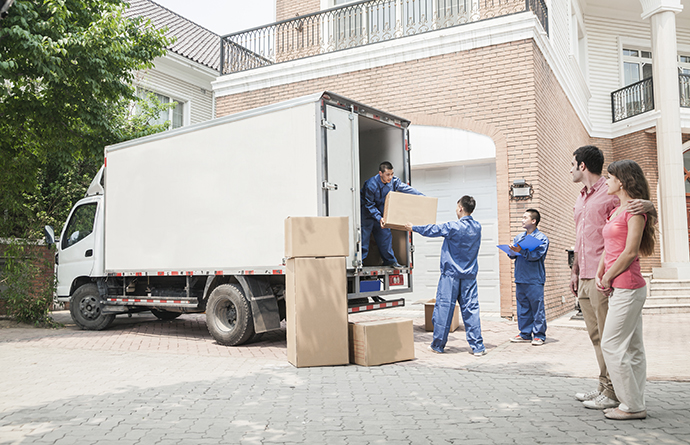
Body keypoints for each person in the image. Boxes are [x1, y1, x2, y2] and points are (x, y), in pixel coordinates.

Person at [569, 145, 655, 410]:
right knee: (597, 337)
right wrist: (574, 270)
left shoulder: (610, 193)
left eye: (572, 164)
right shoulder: (581, 198)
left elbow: (635, 210)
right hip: (586, 274)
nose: (570, 169)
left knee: (611, 339)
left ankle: (614, 392)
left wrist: (651, 205)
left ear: (582, 165)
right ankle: (603, 387)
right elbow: (582, 237)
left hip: (609, 276)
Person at [596, 160, 656, 420]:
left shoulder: (634, 211)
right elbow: (610, 245)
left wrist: (608, 276)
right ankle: (635, 402)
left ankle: (631, 406)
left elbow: (630, 252)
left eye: (609, 178)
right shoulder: (616, 211)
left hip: (629, 286)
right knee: (632, 348)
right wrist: (601, 270)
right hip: (619, 285)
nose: (606, 182)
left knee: (611, 344)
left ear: (621, 181)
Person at [404, 196, 486, 356]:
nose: (456, 210)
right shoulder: (477, 227)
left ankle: (438, 345)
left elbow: (433, 230)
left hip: (451, 276)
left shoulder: (453, 226)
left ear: (461, 208)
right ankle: (478, 347)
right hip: (469, 276)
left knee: (444, 309)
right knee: (471, 310)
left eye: (457, 207)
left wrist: (413, 227)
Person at [361, 161, 423, 268]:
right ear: (380, 173)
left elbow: (406, 188)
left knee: (385, 236)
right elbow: (369, 205)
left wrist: (421, 196)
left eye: (392, 174)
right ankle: (360, 261)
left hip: (381, 212)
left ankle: (390, 262)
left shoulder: (393, 181)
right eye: (388, 174)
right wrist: (379, 217)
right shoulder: (371, 185)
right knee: (364, 237)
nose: (390, 177)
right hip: (367, 213)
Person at [506, 209, 549, 346]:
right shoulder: (519, 238)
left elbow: (536, 256)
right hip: (521, 278)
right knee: (523, 307)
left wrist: (521, 251)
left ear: (533, 221)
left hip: (534, 279)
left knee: (537, 308)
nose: (522, 219)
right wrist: (512, 251)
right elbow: (512, 256)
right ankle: (525, 334)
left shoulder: (542, 239)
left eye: (525, 217)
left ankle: (539, 335)